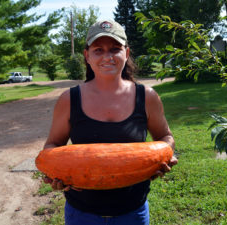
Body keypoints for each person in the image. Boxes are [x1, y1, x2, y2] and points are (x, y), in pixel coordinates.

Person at [43, 20, 178, 225]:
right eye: (98, 50)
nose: (107, 56)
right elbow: (52, 145)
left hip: (133, 212)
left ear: (127, 52)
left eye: (115, 49)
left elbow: (165, 137)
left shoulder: (147, 97)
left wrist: (163, 155)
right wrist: (55, 174)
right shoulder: (69, 100)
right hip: (81, 213)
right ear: (87, 56)